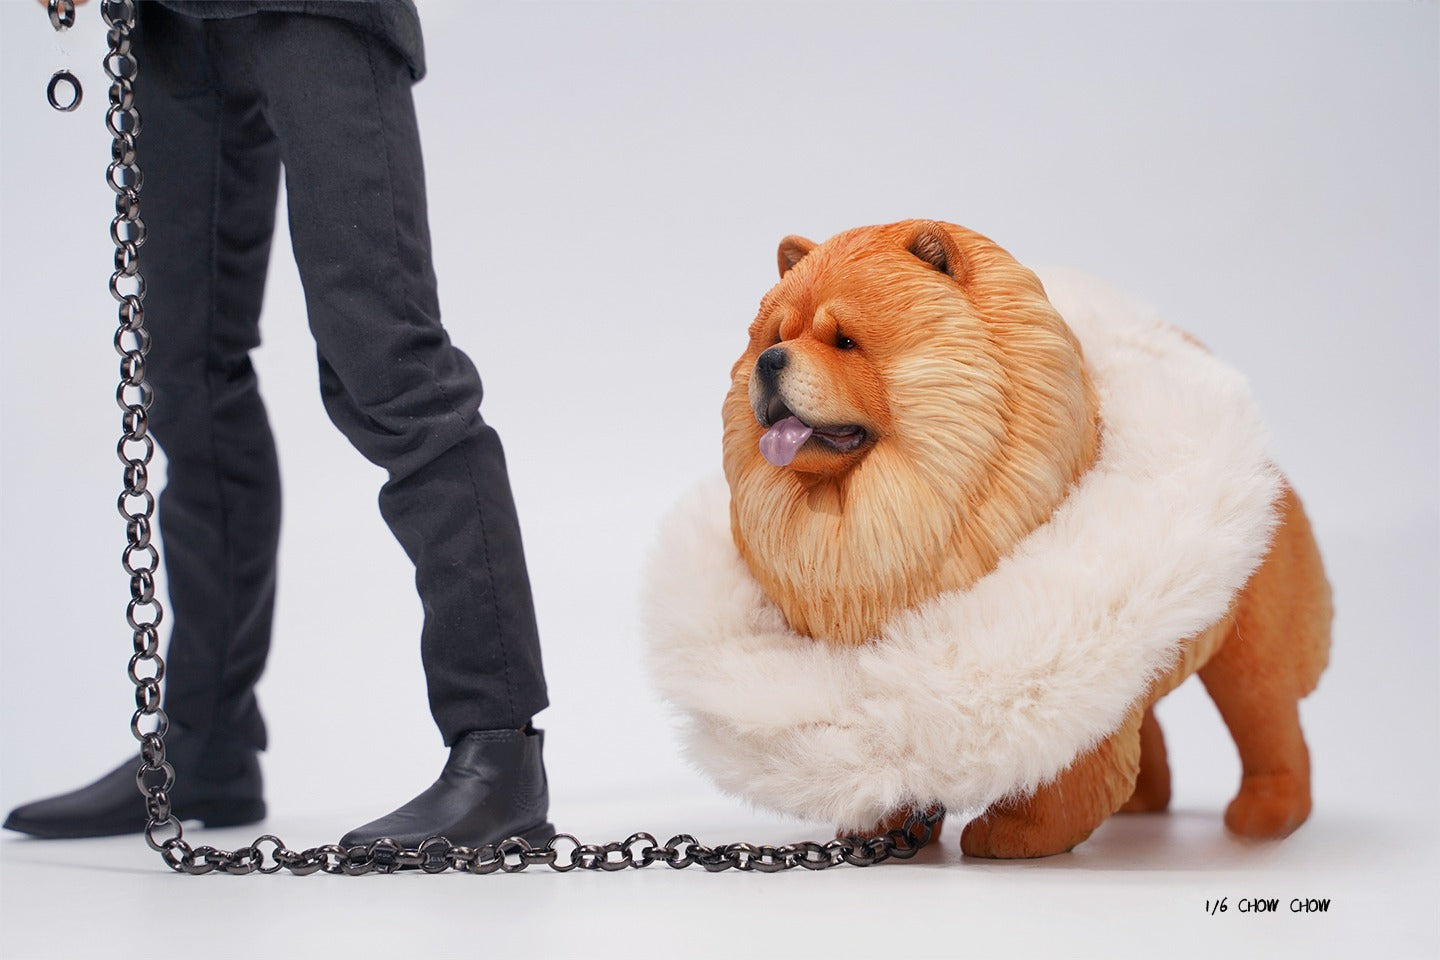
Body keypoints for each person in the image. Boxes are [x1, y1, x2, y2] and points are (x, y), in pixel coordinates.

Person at [4, 0, 554, 848]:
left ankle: (499, 749)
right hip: (167, 22)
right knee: (183, 375)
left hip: (315, 10)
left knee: (389, 366)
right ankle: (206, 740)